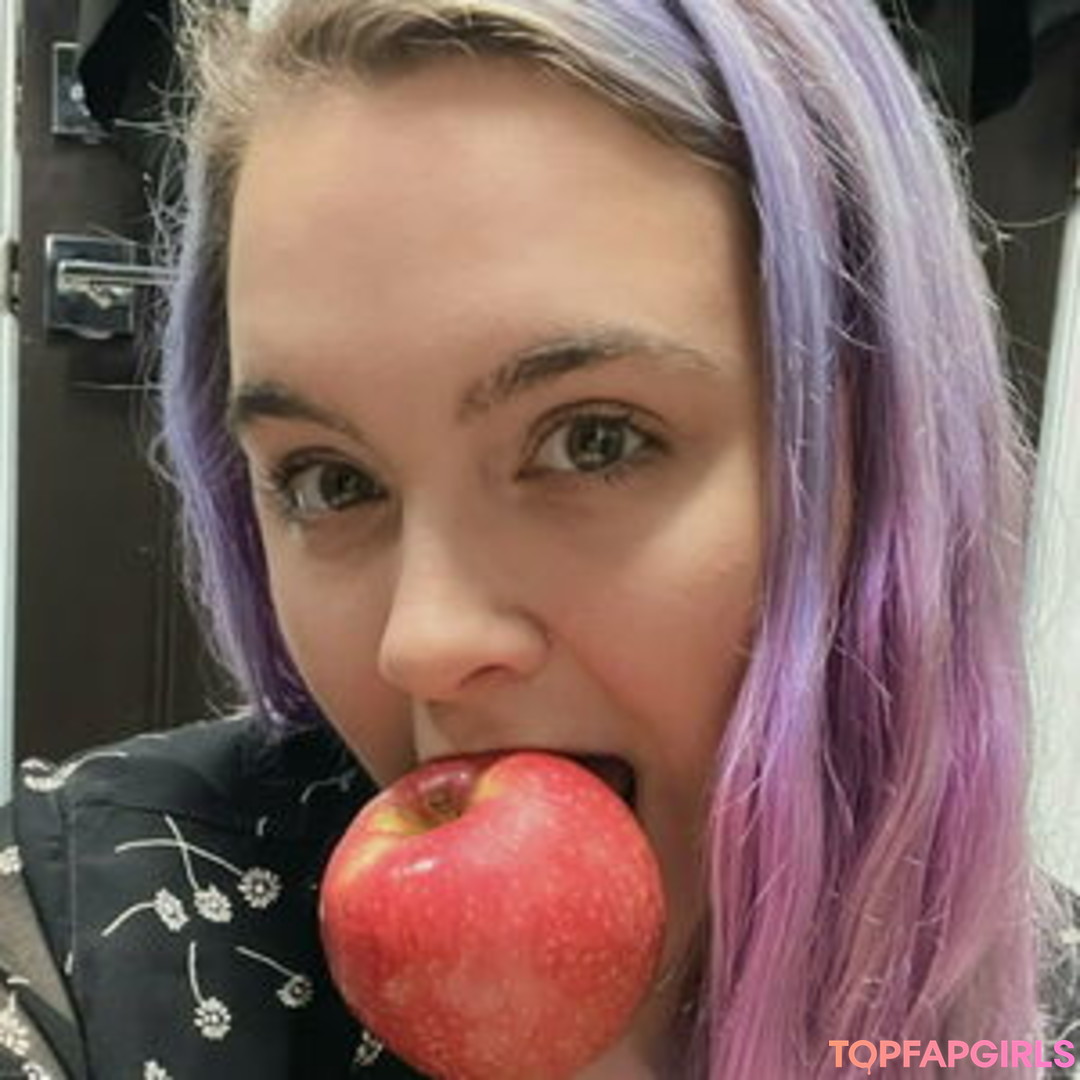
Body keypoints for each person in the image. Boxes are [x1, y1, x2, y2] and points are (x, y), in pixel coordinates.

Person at [1, 0, 1078, 1076]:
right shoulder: (99, 945)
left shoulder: (1039, 1026)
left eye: (594, 440)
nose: (422, 644)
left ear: (867, 467)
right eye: (332, 482)